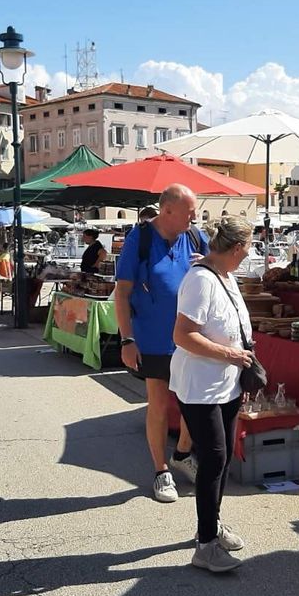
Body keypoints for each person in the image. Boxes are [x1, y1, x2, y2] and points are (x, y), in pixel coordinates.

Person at [171, 215, 255, 573]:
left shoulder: (224, 275)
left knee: (220, 461)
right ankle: (205, 544)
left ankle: (212, 524)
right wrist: (231, 355)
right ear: (236, 249)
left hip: (227, 384)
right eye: (249, 246)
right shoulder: (201, 281)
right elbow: (183, 335)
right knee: (214, 461)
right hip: (201, 387)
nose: (250, 252)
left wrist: (241, 368)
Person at [115, 184, 207, 503]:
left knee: (193, 403)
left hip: (193, 337)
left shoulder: (196, 238)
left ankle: (183, 452)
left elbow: (222, 274)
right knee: (158, 403)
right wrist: (127, 339)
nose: (195, 217)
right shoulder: (139, 240)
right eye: (190, 212)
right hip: (153, 338)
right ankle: (161, 470)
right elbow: (122, 293)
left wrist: (208, 268)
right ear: (168, 211)